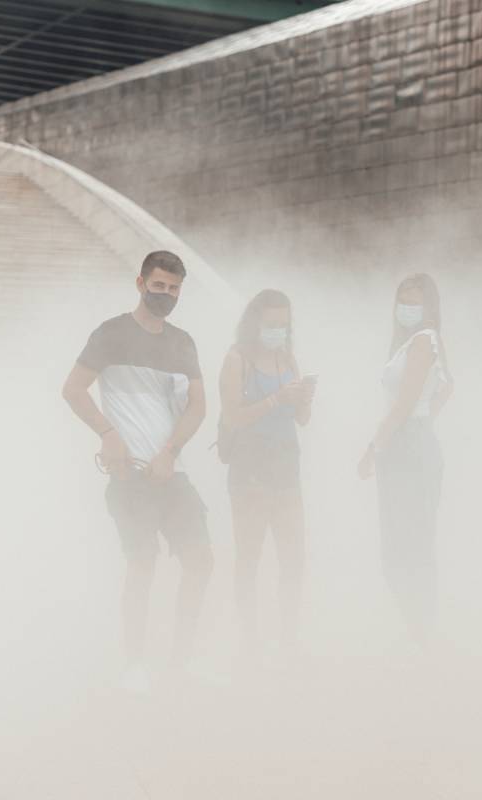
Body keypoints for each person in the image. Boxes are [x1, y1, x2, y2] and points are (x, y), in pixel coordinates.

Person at [61, 250, 212, 693]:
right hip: (130, 476)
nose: (166, 295)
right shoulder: (111, 333)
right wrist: (107, 433)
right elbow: (72, 390)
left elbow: (199, 407)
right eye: (159, 285)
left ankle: (181, 662)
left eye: (174, 288)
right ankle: (134, 665)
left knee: (201, 562)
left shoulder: (183, 342)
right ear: (141, 282)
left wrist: (171, 451)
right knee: (142, 565)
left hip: (171, 471)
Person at [358, 274, 453, 646]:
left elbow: (405, 402)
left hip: (408, 445)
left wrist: (373, 448)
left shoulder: (425, 339)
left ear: (428, 307)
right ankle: (419, 629)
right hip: (409, 442)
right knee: (399, 548)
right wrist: (424, 419)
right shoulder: (410, 344)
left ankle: (422, 632)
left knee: (411, 546)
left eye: (415, 302)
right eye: (403, 301)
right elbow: (447, 386)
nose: (407, 309)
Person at [219, 290, 314, 662]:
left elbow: (301, 420)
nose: (278, 330)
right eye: (271, 324)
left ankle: (288, 638)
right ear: (255, 322)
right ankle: (250, 640)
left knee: (294, 560)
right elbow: (233, 418)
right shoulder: (236, 360)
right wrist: (276, 399)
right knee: (249, 559)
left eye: (284, 325)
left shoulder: (287, 357)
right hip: (250, 477)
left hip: (287, 474)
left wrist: (304, 400)